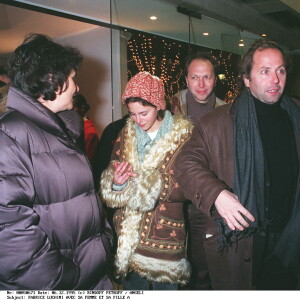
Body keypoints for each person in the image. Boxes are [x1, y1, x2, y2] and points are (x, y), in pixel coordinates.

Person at [174, 39, 300, 290]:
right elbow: (185, 163)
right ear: (246, 79)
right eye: (264, 71)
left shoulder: (296, 113)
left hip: (291, 238)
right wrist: (217, 194)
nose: (275, 79)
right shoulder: (217, 121)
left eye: (280, 70)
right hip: (245, 240)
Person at [0, 33, 112, 290]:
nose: (77, 87)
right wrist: (65, 278)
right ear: (52, 79)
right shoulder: (10, 135)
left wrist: (103, 241)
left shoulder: (63, 130)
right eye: (72, 78)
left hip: (90, 275)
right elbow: (9, 235)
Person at [100, 71, 193, 290]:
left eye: (144, 113)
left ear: (159, 106)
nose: (137, 120)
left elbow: (192, 184)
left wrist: (149, 184)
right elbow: (114, 169)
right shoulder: (126, 133)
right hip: (129, 237)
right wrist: (118, 182)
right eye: (132, 114)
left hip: (165, 235)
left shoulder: (185, 136)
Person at [170, 53, 225, 290]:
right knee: (174, 265)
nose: (201, 84)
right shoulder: (169, 109)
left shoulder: (227, 112)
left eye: (207, 77)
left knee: (203, 265)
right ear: (186, 79)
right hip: (172, 199)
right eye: (195, 77)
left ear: (215, 79)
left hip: (206, 199)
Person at [73, 93, 99, 166]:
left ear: (82, 108)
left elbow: (88, 163)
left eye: (72, 109)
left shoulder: (89, 132)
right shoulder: (74, 126)